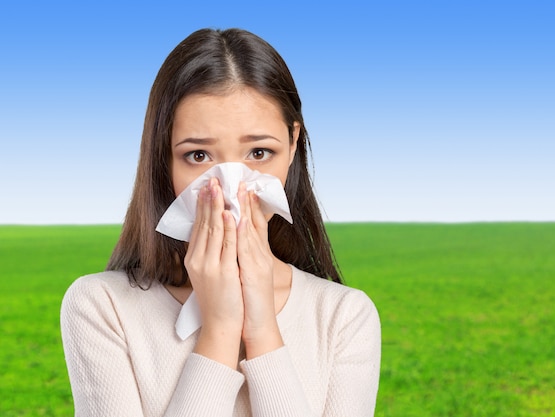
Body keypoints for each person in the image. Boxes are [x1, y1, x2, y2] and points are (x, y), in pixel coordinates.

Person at [60, 28, 380, 417]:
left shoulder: (343, 317)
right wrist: (220, 329)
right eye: (198, 156)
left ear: (293, 144)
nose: (230, 186)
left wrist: (262, 330)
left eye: (259, 152)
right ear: (163, 154)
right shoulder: (101, 307)